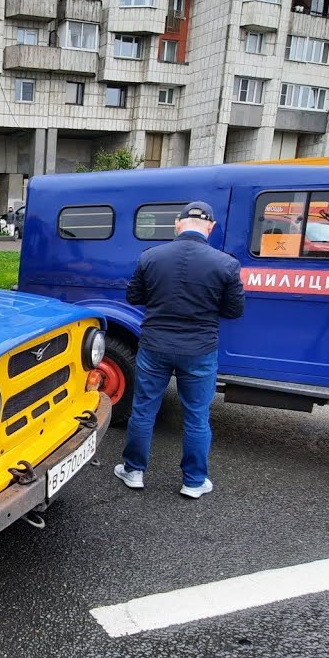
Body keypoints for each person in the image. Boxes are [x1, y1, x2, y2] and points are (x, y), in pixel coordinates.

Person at [114, 201, 245, 499]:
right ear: (210, 228)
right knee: (197, 415)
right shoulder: (226, 264)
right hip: (199, 350)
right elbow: (234, 310)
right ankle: (194, 481)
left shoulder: (150, 257)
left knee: (144, 411)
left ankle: (133, 471)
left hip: (155, 346)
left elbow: (134, 296)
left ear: (178, 224)